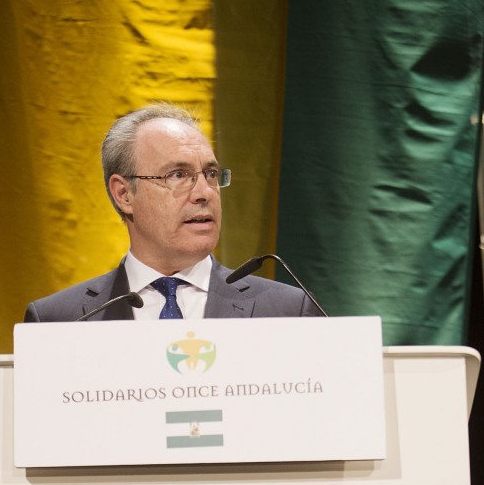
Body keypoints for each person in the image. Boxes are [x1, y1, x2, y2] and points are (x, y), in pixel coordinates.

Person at [24, 103, 322, 322]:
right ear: (124, 194)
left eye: (211, 174)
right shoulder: (58, 320)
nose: (205, 193)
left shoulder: (287, 311)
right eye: (178, 175)